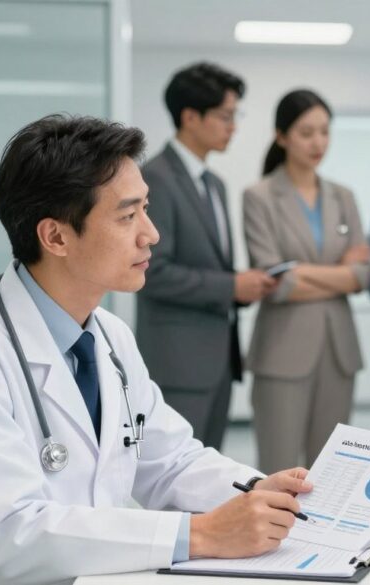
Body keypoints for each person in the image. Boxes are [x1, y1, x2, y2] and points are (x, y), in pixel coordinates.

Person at [0, 115, 313, 584]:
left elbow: (170, 461)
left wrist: (259, 491)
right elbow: (9, 536)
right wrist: (201, 533)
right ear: (55, 237)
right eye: (127, 215)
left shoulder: (109, 336)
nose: (150, 234)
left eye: (146, 210)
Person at [137, 62, 275, 451]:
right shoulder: (156, 179)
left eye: (235, 116)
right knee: (173, 477)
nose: (232, 126)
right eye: (225, 116)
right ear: (190, 117)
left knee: (206, 473)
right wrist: (232, 285)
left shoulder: (213, 183)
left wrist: (239, 287)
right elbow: (153, 272)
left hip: (217, 359)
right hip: (178, 361)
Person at [242, 89, 370, 473]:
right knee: (279, 468)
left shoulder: (343, 197)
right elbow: (275, 281)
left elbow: (363, 274)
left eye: (324, 132)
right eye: (306, 133)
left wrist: (299, 270)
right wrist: (340, 274)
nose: (318, 142)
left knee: (331, 471)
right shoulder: (260, 196)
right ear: (281, 136)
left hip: (338, 351)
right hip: (282, 352)